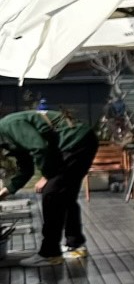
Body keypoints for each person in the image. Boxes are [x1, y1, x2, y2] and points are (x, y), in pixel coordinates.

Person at [0, 106, 99, 266]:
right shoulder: (7, 138)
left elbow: (40, 147)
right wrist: (6, 191)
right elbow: (26, 169)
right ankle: (75, 246)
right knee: (65, 195)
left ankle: (50, 253)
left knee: (51, 194)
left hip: (74, 142)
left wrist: (47, 175)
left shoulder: (8, 126)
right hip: (80, 141)